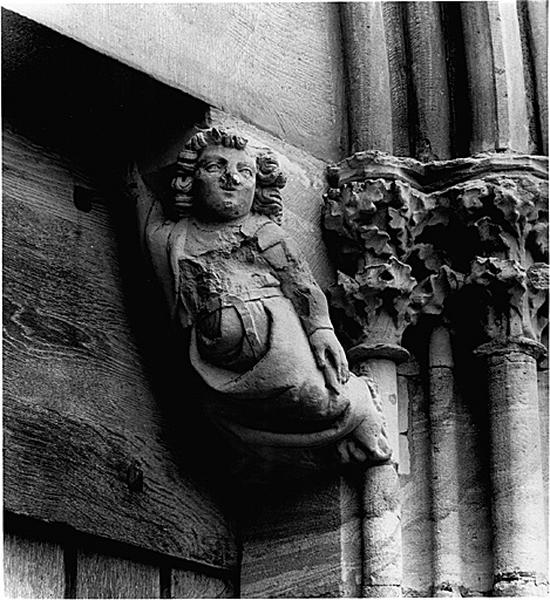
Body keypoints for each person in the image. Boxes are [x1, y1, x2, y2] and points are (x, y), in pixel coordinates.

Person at [129, 127, 391, 466]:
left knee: (314, 397)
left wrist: (321, 329)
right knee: (225, 420)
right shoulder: (173, 238)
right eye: (215, 168)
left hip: (278, 338)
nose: (232, 179)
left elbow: (301, 284)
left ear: (259, 185)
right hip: (214, 356)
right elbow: (142, 210)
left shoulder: (263, 232)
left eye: (245, 171)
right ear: (190, 180)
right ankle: (302, 453)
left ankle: (360, 405)